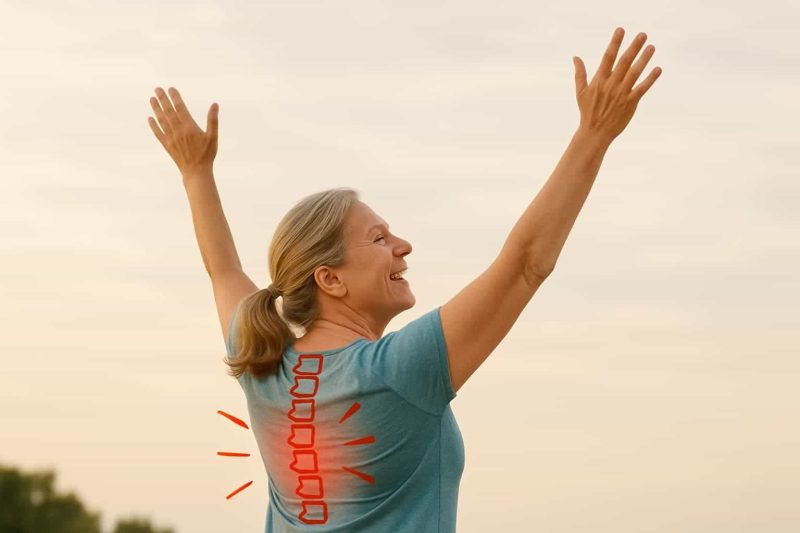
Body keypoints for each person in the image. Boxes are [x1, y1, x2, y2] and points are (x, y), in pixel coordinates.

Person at [147, 26, 661, 532]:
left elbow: (223, 270)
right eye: (378, 239)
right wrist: (594, 135)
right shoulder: (397, 371)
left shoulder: (262, 366)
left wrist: (196, 172)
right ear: (330, 279)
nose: (403, 246)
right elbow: (525, 264)